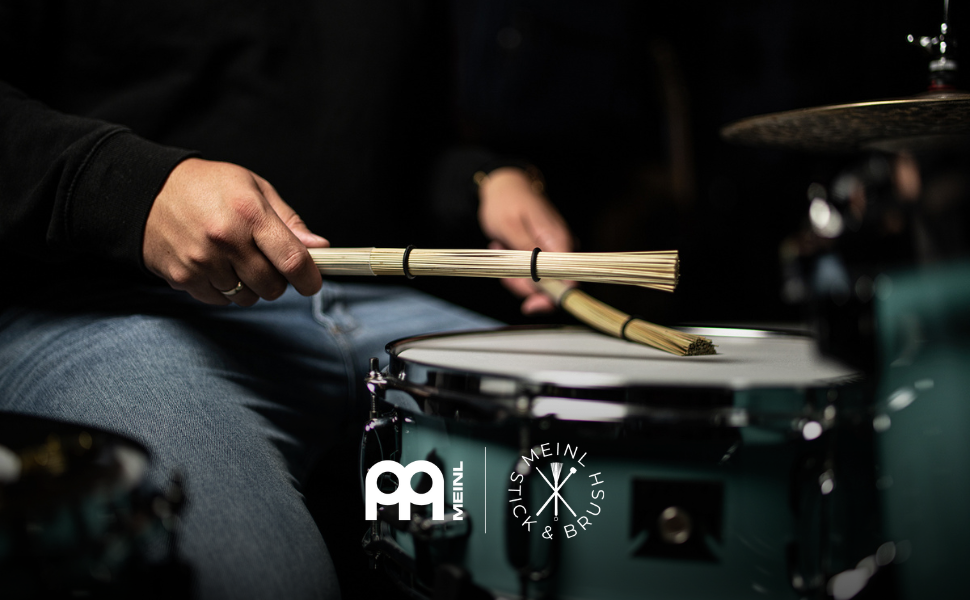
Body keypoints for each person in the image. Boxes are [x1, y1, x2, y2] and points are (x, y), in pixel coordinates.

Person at [0, 1, 572, 598]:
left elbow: (406, 141)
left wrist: (485, 178)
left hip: (383, 305)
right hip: (114, 309)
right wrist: (132, 191)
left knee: (634, 483)